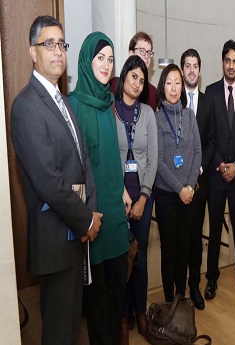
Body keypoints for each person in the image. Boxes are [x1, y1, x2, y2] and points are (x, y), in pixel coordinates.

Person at [11, 15, 101, 344]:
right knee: (59, 333)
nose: (58, 51)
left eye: (61, 44)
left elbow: (82, 161)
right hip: (55, 238)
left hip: (73, 236)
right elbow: (49, 181)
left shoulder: (62, 101)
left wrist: (90, 211)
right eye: (49, 44)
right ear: (33, 52)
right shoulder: (26, 106)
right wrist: (86, 220)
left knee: (69, 327)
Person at [69, 31, 131, 345]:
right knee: (97, 299)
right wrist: (84, 217)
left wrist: (122, 189)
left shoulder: (109, 103)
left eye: (110, 59)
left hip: (116, 216)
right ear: (86, 61)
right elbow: (73, 171)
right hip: (93, 219)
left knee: (118, 290)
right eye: (100, 58)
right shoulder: (73, 105)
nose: (106, 65)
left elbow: (112, 156)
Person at [205, 39, 235, 299]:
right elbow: (209, 135)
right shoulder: (210, 93)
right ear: (222, 62)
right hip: (215, 174)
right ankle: (211, 279)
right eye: (228, 61)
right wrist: (219, 164)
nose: (231, 65)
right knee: (214, 229)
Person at [114, 55, 157, 342]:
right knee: (121, 261)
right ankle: (123, 315)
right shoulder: (110, 111)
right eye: (133, 77)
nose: (137, 83)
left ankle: (140, 311)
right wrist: (121, 194)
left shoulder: (148, 114)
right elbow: (105, 158)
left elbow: (152, 158)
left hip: (142, 197)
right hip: (117, 198)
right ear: (123, 78)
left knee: (139, 259)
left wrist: (142, 197)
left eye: (142, 80)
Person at [154, 64, 202, 303]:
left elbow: (197, 153)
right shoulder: (157, 118)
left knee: (184, 250)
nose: (173, 88)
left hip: (189, 195)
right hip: (166, 196)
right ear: (163, 86)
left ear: (182, 86)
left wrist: (190, 187)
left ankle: (182, 299)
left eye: (177, 82)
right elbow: (159, 162)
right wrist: (180, 189)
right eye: (169, 82)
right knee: (169, 252)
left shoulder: (189, 115)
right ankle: (169, 300)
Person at [180, 48, 216, 310]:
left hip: (200, 183)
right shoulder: (173, 100)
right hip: (177, 186)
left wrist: (199, 170)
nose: (192, 70)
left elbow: (211, 141)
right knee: (179, 238)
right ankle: (177, 290)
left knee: (195, 238)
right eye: (187, 66)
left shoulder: (207, 102)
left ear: (200, 71)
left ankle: (194, 286)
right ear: (182, 71)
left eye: (195, 66)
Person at [110, 32, 158, 111]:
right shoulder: (114, 84)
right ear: (131, 53)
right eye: (142, 51)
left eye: (149, 53)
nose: (146, 56)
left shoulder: (153, 92)